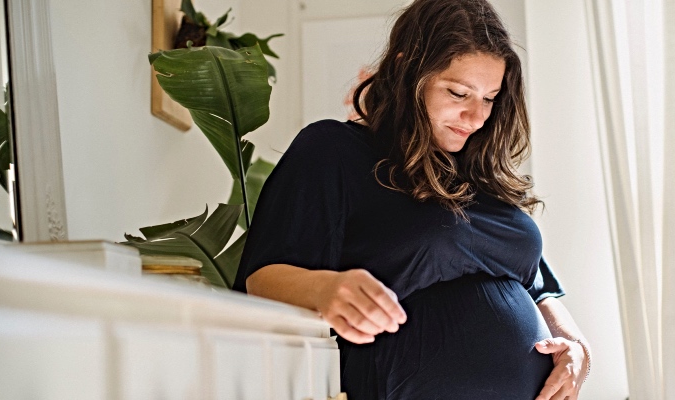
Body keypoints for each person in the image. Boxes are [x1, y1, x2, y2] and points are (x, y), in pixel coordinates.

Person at [233, 0, 591, 398]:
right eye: (458, 93)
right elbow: (260, 279)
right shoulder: (334, 151)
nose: (476, 117)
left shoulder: (482, 172)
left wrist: (577, 349)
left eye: (489, 98)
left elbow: (538, 287)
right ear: (408, 72)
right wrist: (325, 289)